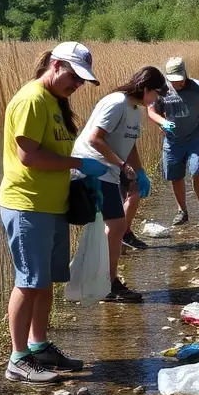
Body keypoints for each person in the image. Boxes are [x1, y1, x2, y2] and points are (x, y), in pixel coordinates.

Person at [0, 42, 107, 384]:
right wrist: (79, 163)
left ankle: (39, 346)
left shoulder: (56, 102)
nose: (76, 85)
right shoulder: (32, 100)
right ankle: (18, 359)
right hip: (27, 204)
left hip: (52, 204)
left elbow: (53, 152)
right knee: (29, 281)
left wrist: (79, 179)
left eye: (81, 81)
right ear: (56, 65)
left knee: (45, 282)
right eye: (74, 77)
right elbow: (28, 157)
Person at [72, 65, 167, 303]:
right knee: (115, 226)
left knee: (115, 227)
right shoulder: (116, 103)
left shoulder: (136, 110)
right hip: (92, 168)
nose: (156, 100)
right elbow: (95, 138)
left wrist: (141, 172)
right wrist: (123, 165)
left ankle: (103, 279)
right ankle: (105, 282)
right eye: (156, 93)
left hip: (110, 169)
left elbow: (130, 144)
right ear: (146, 88)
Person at [147, 56, 199, 227]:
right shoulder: (161, 90)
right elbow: (151, 111)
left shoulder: (197, 87)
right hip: (173, 141)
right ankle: (182, 211)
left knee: (197, 170)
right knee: (175, 176)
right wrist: (162, 122)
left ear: (185, 74)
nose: (178, 83)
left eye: (180, 79)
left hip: (196, 137)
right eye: (173, 80)